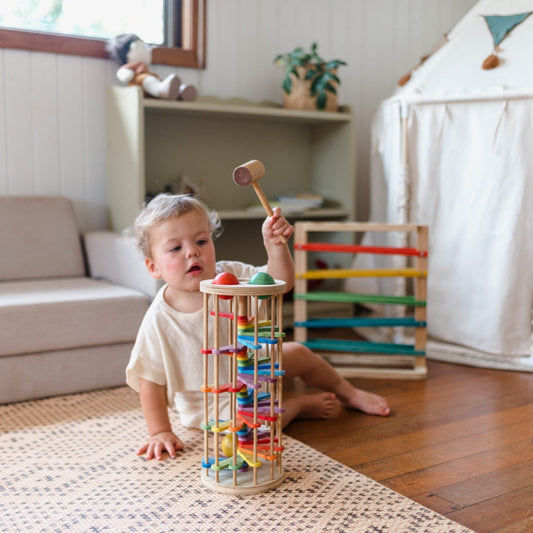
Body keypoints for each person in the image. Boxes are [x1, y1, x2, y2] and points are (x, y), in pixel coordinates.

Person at [127, 193, 390, 460]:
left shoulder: (230, 275)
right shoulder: (159, 318)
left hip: (255, 370)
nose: (192, 251)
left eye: (201, 241)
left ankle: (349, 393)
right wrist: (159, 431)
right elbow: (150, 380)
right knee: (254, 428)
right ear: (153, 267)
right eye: (175, 248)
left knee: (298, 351)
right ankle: (296, 406)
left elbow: (279, 283)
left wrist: (275, 246)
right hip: (214, 406)